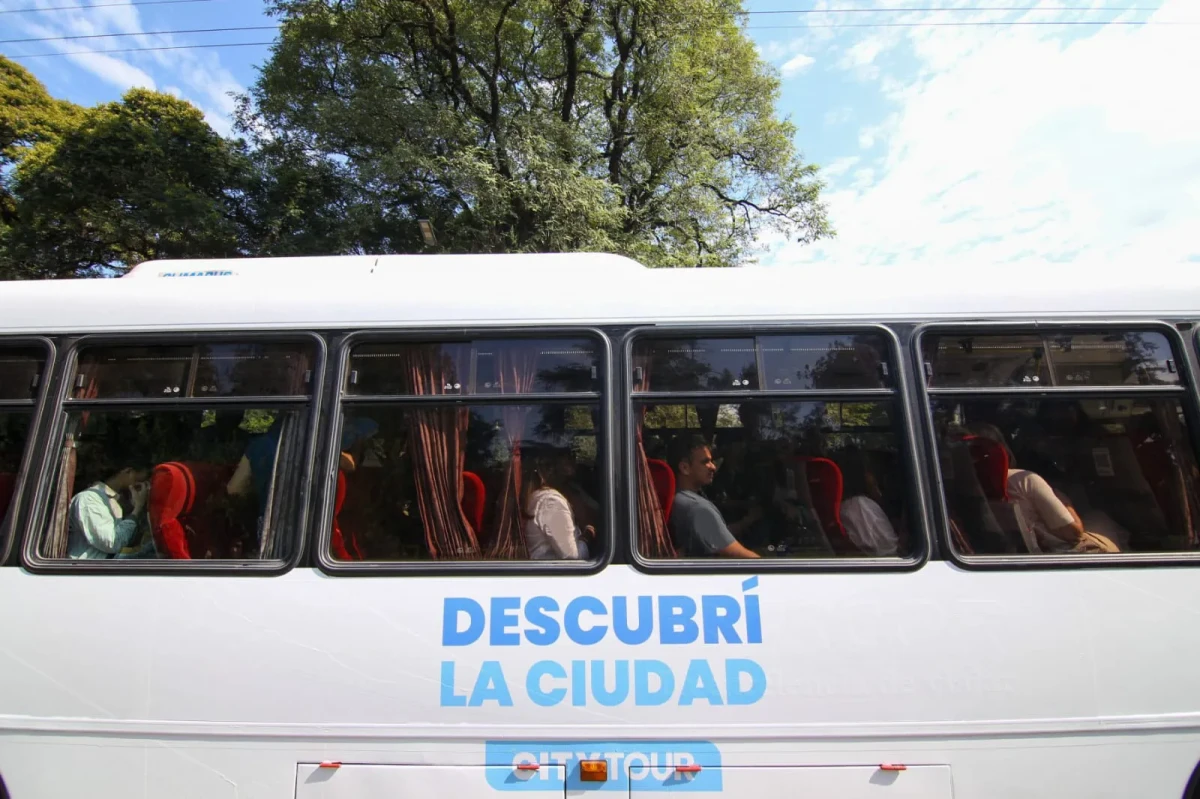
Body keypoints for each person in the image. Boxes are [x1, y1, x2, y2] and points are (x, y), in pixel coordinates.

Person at [967, 422, 1119, 554]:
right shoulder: (1023, 480)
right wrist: (1066, 503)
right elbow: (1074, 534)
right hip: (1055, 553)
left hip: (1007, 553)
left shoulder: (964, 485)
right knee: (1101, 518)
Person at [668, 435, 761, 558]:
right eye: (705, 462)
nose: (713, 467)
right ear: (685, 467)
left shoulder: (676, 499)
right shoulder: (697, 508)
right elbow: (742, 557)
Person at [67, 455, 152, 560]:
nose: (140, 485)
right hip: (86, 567)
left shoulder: (116, 502)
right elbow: (112, 542)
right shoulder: (90, 499)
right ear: (128, 472)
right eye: (139, 480)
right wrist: (137, 509)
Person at [521, 445, 594, 559]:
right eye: (567, 456)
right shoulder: (551, 502)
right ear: (550, 468)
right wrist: (588, 534)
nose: (574, 460)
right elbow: (573, 558)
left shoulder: (544, 496)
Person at [838, 448, 900, 556]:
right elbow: (887, 549)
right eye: (870, 471)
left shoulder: (852, 505)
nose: (874, 477)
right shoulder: (860, 506)